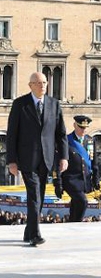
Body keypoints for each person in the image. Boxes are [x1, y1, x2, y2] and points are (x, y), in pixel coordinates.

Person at [6, 72, 68, 246]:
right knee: (34, 194)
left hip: (46, 159)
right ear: (30, 85)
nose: (43, 86)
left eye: (45, 83)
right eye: (39, 83)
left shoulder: (54, 104)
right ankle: (35, 234)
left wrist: (64, 157)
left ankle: (28, 231)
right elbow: (12, 134)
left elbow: (61, 134)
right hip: (26, 159)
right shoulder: (20, 105)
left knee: (38, 196)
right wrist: (11, 160)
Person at [53, 115, 100, 222]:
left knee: (75, 203)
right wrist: (57, 183)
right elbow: (57, 164)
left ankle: (72, 223)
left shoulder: (90, 141)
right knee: (83, 201)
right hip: (70, 180)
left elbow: (94, 163)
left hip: (84, 180)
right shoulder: (66, 141)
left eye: (85, 127)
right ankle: (77, 224)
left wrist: (96, 179)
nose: (84, 130)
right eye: (81, 127)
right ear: (75, 125)